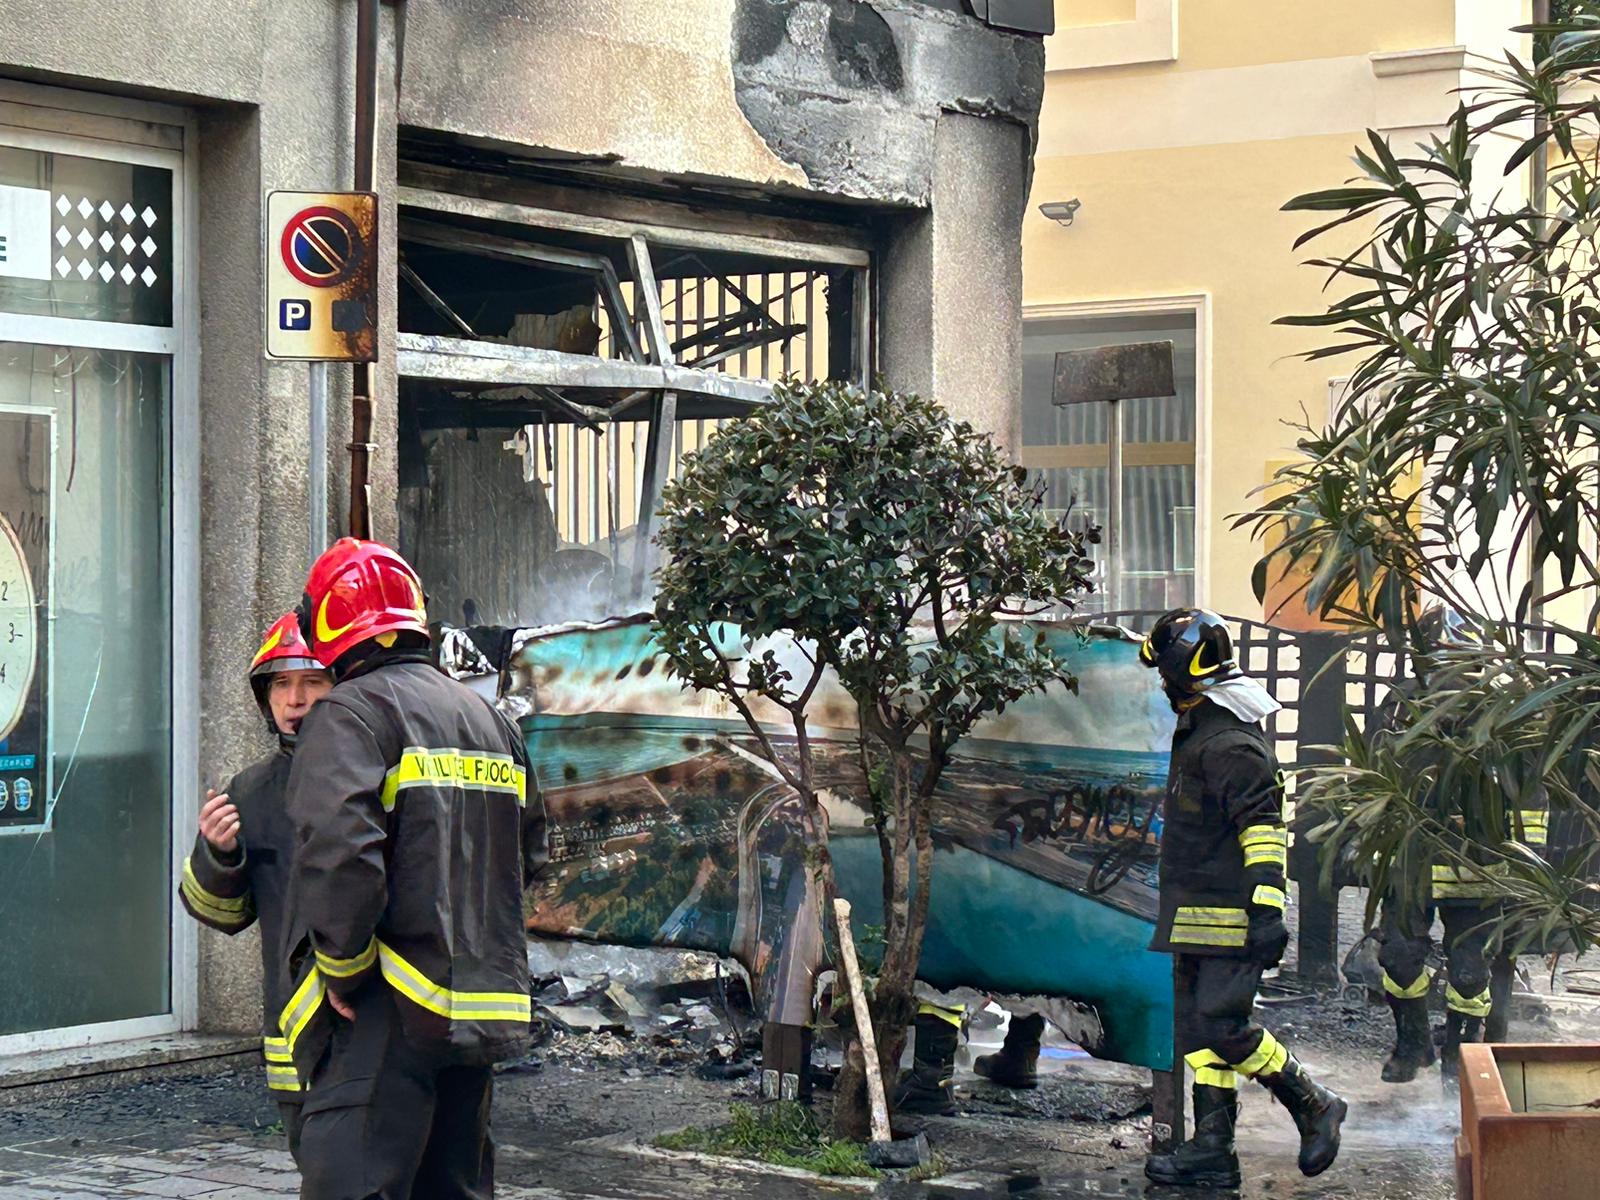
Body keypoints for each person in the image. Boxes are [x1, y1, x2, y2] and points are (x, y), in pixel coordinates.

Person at [275, 538, 548, 1200]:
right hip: (478, 1005)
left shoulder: (349, 715)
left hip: (387, 1006)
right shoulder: (488, 717)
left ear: (326, 627)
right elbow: (530, 850)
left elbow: (340, 850)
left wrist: (342, 966)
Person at [1138, 609, 1346, 1189]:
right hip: (1197, 916)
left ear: (1184, 675)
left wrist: (1267, 912)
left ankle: (1313, 1102)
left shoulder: (1228, 742)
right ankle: (1211, 1147)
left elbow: (1261, 830)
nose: (1161, 685)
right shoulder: (1203, 728)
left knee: (1221, 1024)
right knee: (1196, 1034)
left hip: (1231, 919)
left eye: (1165, 674)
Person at [177, 612, 334, 1161]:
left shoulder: (376, 773)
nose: (295, 700)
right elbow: (222, 913)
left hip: (372, 1021)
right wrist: (221, 853)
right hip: (291, 1027)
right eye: (281, 684)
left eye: (312, 681)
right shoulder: (252, 788)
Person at [1372, 605, 1545, 1085]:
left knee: (1470, 976)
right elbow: (1373, 778)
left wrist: (1527, 867)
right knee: (1398, 958)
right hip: (1412, 864)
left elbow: (1531, 792)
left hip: (1479, 869)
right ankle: (1412, 1045)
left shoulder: (1500, 711)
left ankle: (1460, 1060)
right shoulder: (1398, 706)